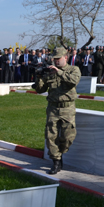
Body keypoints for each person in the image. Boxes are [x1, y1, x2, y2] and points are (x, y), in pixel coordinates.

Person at [33, 47, 81, 175]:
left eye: (58, 59)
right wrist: (39, 76)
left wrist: (58, 72)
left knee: (67, 136)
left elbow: (73, 81)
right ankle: (56, 161)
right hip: (53, 107)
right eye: (54, 59)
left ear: (66, 57)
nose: (56, 61)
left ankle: (60, 153)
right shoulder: (50, 71)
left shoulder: (73, 70)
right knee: (51, 136)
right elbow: (40, 89)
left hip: (67, 108)